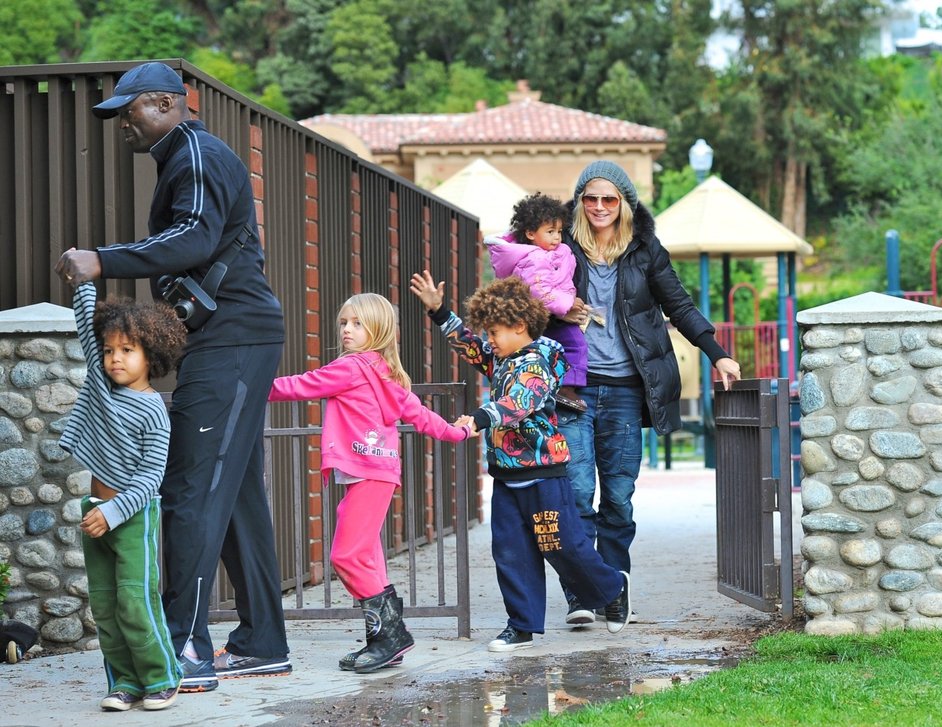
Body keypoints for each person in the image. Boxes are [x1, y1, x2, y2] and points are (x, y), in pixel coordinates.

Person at [55, 62, 291, 692]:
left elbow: (192, 239)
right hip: (230, 340)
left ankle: (180, 646)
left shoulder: (195, 155)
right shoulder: (185, 156)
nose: (122, 124)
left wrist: (101, 259)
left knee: (189, 491)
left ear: (167, 103)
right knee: (235, 496)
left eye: (129, 111)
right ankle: (263, 642)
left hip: (232, 342)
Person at [554, 160, 742, 625]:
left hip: (624, 390)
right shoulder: (558, 250)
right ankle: (582, 594)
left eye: (609, 199)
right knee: (577, 495)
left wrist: (717, 352)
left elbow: (678, 304)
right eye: (591, 199)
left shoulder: (644, 250)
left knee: (618, 497)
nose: (599, 207)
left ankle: (614, 587)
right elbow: (521, 294)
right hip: (570, 389)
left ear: (624, 204)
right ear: (579, 202)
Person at [409, 272, 632, 652]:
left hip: (544, 476)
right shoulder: (502, 356)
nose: (489, 340)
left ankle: (612, 587)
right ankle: (523, 625)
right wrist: (438, 311)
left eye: (494, 332)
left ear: (519, 326)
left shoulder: (539, 361)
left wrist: (480, 417)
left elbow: (519, 403)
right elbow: (470, 346)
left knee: (563, 546)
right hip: (507, 477)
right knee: (511, 550)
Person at [267, 293, 470, 673]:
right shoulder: (385, 372)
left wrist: (253, 385)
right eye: (344, 322)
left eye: (357, 323)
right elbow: (420, 414)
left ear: (377, 330)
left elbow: (301, 385)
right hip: (376, 472)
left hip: (369, 472)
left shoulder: (353, 367)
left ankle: (391, 636)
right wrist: (455, 433)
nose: (346, 329)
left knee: (346, 556)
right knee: (369, 558)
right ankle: (384, 640)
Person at [58, 281, 186, 711]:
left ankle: (162, 677)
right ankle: (125, 682)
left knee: (135, 602)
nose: (115, 358)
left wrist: (113, 512)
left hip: (132, 516)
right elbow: (83, 324)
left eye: (127, 350)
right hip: (94, 511)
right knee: (106, 609)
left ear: (151, 355)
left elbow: (151, 479)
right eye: (110, 349)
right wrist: (82, 283)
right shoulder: (100, 382)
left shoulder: (153, 411)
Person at [484, 192, 588, 412]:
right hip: (545, 314)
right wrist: (567, 303)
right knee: (575, 345)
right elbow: (539, 291)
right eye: (550, 232)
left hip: (550, 314)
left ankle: (553, 387)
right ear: (530, 233)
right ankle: (565, 389)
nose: (557, 237)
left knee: (552, 351)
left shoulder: (552, 252)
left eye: (559, 231)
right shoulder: (533, 258)